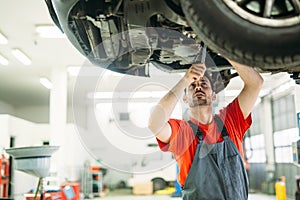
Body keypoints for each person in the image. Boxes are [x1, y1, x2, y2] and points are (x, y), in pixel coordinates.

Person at [148, 60, 263, 199]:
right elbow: (155, 124)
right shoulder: (183, 132)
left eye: (204, 84)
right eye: (192, 86)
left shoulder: (230, 121)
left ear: (214, 96)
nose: (198, 87)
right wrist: (185, 80)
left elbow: (255, 83)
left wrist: (225, 48)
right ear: (185, 98)